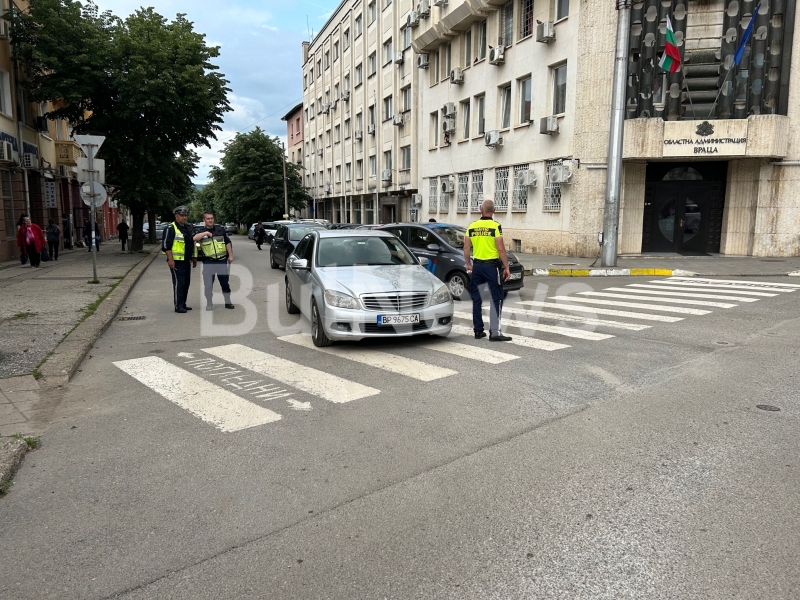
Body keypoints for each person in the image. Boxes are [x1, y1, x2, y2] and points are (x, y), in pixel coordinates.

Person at [463, 199, 511, 342]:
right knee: (496, 298)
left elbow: (466, 248)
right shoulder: (495, 226)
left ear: (481, 210)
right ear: (494, 211)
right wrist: (507, 267)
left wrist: (468, 264)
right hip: (491, 267)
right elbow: (501, 248)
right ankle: (495, 332)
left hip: (477, 267)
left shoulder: (472, 226)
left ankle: (478, 331)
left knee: (477, 299)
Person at [192, 211, 235, 311]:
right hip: (208, 262)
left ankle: (227, 301)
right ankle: (209, 303)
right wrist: (206, 233)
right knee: (208, 284)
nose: (210, 220)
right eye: (208, 218)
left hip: (221, 261)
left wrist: (231, 255)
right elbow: (194, 238)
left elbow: (227, 243)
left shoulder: (221, 230)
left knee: (225, 283)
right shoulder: (201, 232)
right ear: (204, 220)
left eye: (211, 218)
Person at [162, 205, 197, 313]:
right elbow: (166, 246)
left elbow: (191, 244)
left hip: (186, 261)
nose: (184, 217)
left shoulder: (188, 227)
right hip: (176, 262)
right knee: (179, 283)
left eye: (185, 215)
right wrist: (170, 260)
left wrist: (194, 258)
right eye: (181, 215)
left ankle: (183, 303)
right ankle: (178, 306)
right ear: (176, 216)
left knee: (186, 283)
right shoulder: (170, 228)